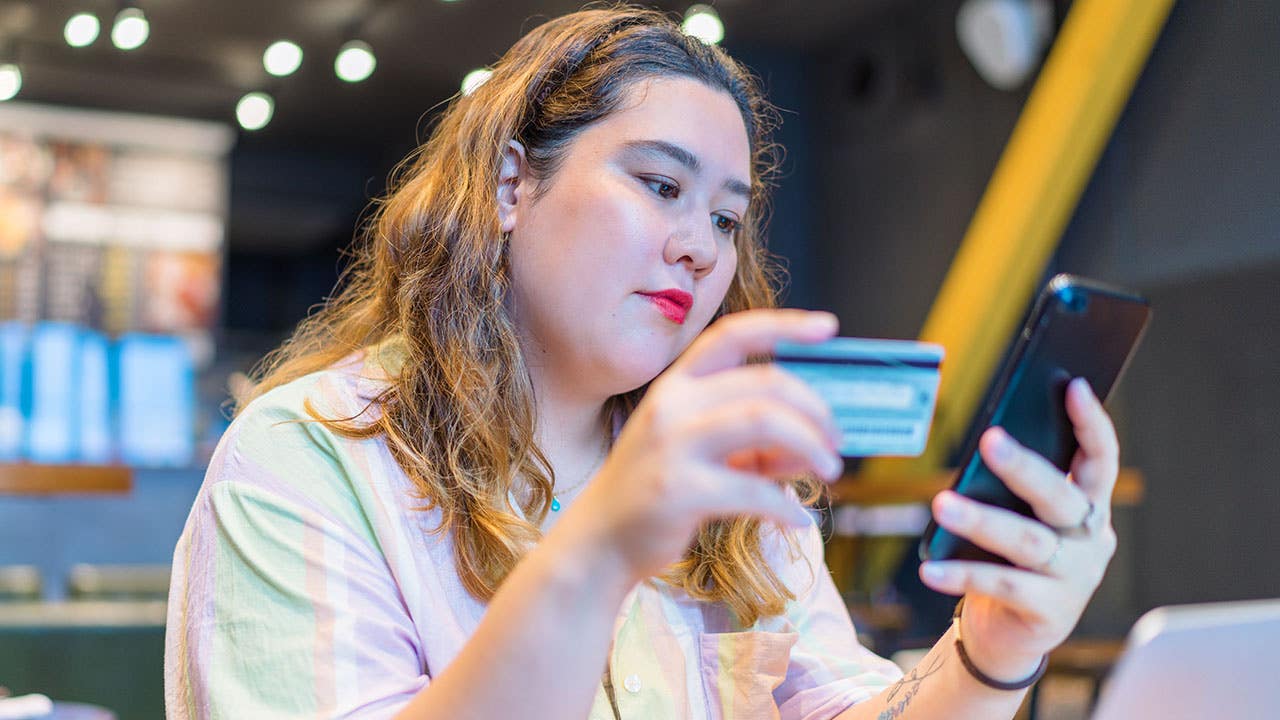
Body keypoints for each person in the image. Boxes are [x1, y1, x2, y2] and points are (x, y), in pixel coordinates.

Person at [164, 6, 1121, 719]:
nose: (703, 248)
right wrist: (602, 552)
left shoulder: (727, 479)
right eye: (660, 185)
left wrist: (994, 649)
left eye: (725, 218)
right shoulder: (305, 463)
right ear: (510, 183)